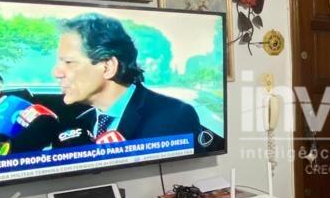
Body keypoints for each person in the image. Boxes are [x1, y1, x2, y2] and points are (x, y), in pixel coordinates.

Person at [53, 13, 215, 150]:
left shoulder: (173, 117)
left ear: (108, 67)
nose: (57, 73)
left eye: (68, 62)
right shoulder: (76, 125)